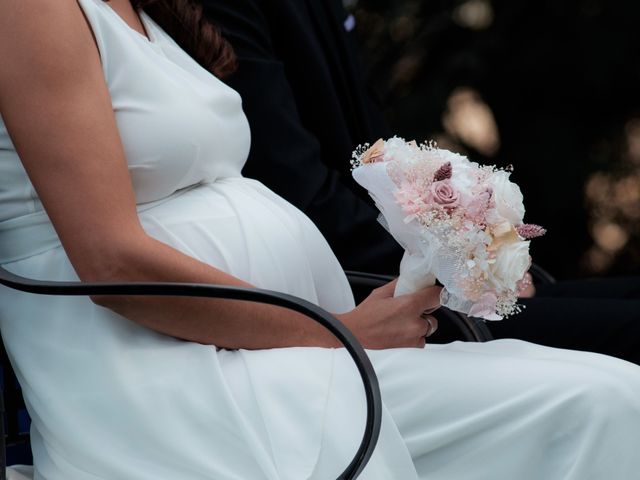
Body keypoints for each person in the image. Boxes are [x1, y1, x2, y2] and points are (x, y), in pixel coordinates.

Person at [1, 1, 640, 479]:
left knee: (613, 396)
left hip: (288, 345)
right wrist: (343, 329)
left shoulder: (149, 10)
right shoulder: (33, 11)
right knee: (594, 402)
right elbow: (112, 264)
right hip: (171, 370)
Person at [201, 0, 640, 364]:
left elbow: (375, 154)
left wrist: (488, 250)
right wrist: (465, 269)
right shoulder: (226, 10)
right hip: (364, 292)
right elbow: (303, 195)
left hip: (414, 274)